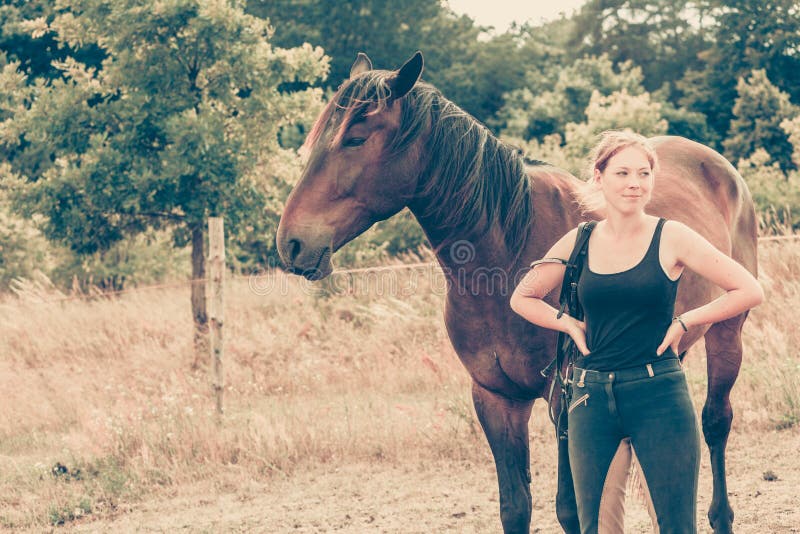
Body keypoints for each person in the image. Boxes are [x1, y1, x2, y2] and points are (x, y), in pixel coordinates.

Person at [509, 130, 764, 533]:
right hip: (590, 402)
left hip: (659, 395)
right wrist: (567, 323)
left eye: (644, 173)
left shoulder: (672, 236)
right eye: (623, 172)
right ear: (599, 178)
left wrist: (688, 320)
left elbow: (749, 288)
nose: (635, 183)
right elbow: (523, 296)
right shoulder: (579, 241)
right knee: (598, 528)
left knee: (677, 526)